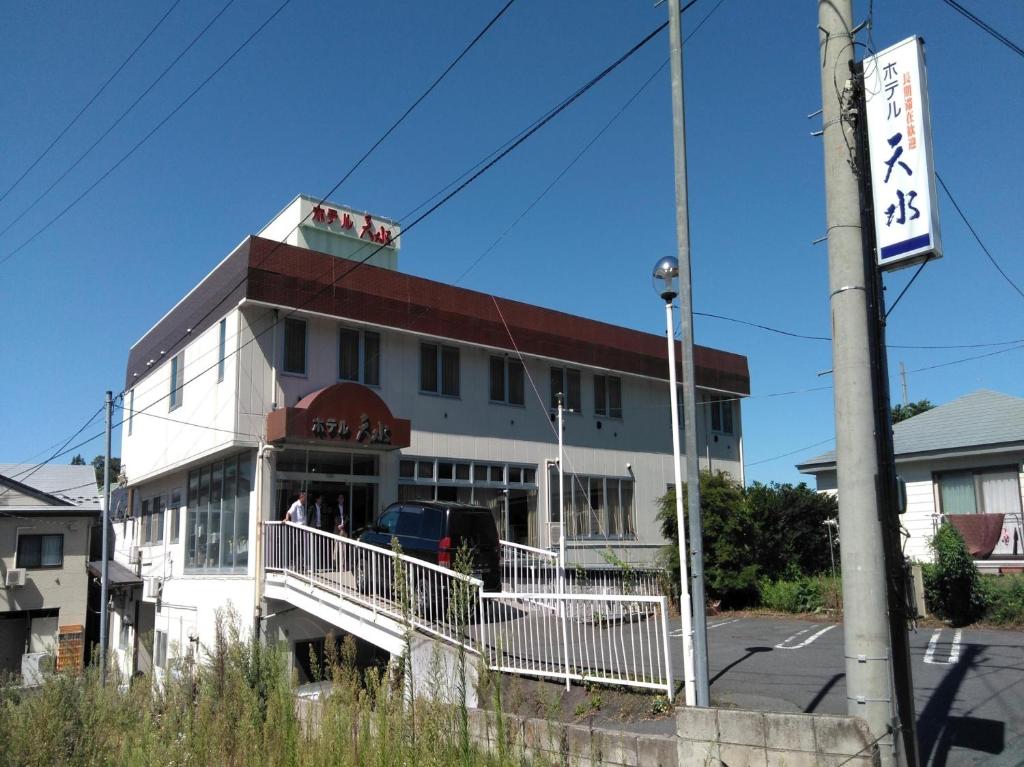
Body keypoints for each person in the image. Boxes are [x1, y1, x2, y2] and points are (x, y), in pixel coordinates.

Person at [284, 491, 307, 569]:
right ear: (301, 497)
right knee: (298, 547)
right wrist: (287, 518)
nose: (306, 499)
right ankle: (297, 565)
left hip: (302, 529)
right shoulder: (295, 504)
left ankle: (300, 565)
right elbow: (289, 512)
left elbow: (302, 518)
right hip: (297, 529)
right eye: (305, 497)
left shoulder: (302, 506)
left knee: (301, 547)